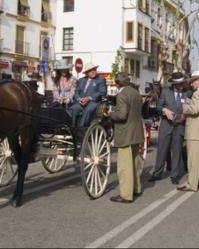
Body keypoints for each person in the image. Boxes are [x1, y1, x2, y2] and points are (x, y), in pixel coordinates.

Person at [106, 72, 144, 203]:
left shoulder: (122, 94)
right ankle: (136, 188)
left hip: (125, 133)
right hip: (136, 132)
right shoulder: (136, 93)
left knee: (124, 166)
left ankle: (126, 195)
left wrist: (111, 114)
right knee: (134, 162)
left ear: (117, 83)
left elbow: (122, 116)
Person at [149, 72, 190, 185]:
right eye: (179, 84)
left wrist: (185, 115)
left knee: (177, 151)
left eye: (182, 83)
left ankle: (175, 175)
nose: (181, 85)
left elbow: (190, 107)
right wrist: (164, 110)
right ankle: (157, 173)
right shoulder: (166, 92)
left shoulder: (187, 92)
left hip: (180, 126)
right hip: (166, 125)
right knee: (162, 150)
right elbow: (158, 107)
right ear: (174, 84)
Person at [70, 62, 107, 128]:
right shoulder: (81, 80)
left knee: (88, 110)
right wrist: (79, 99)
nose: (93, 72)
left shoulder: (101, 79)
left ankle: (82, 129)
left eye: (94, 69)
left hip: (94, 103)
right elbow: (76, 92)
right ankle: (72, 128)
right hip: (80, 103)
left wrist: (89, 98)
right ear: (86, 73)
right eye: (90, 71)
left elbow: (103, 92)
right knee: (73, 109)